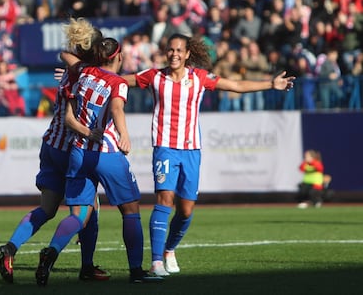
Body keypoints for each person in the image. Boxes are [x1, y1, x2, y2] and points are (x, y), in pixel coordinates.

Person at [59, 33, 295, 277]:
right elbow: (114, 78)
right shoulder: (154, 76)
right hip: (164, 148)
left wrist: (270, 84)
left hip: (191, 149)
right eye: (170, 50)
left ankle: (170, 248)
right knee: (165, 200)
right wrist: (76, 76)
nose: (174, 54)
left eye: (179, 50)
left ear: (187, 54)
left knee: (186, 210)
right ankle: (156, 262)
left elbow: (235, 85)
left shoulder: (199, 78)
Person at [35, 37, 164, 286]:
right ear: (119, 57)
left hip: (78, 152)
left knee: (79, 215)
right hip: (106, 152)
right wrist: (124, 135)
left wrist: (78, 59)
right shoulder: (117, 82)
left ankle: (51, 252)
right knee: (130, 210)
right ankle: (136, 271)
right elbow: (116, 109)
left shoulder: (85, 72)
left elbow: (66, 55)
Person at [0, 17, 109, 284]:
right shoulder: (89, 76)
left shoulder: (72, 71)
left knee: (47, 208)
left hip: (50, 145)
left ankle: (10, 248)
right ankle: (61, 256)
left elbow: (65, 54)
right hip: (73, 149)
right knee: (83, 211)